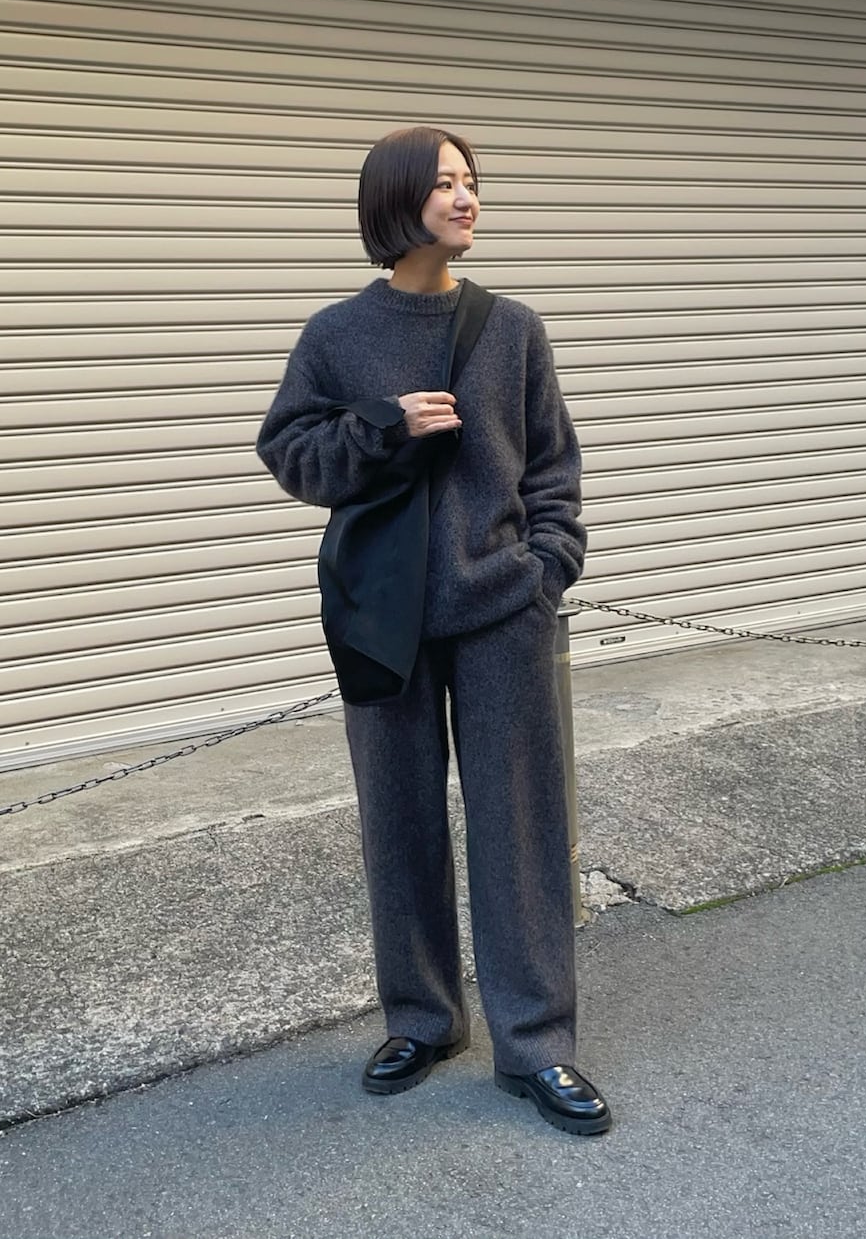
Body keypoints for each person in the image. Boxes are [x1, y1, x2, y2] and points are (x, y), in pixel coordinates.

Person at [256, 126, 611, 1136]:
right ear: (396, 200)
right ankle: (421, 1019)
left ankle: (535, 1043)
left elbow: (554, 466)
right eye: (444, 183)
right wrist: (381, 424)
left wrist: (545, 569)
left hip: (502, 612)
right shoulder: (336, 335)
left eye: (470, 181)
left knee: (520, 829)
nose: (465, 197)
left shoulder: (513, 330)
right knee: (398, 823)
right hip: (385, 620)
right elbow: (291, 455)